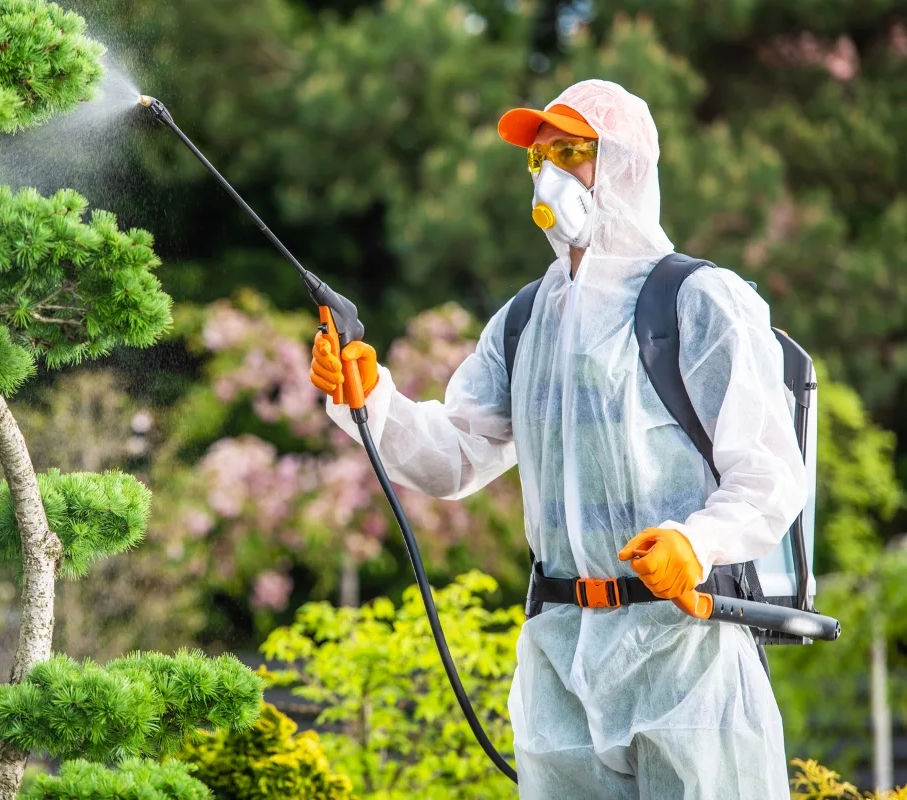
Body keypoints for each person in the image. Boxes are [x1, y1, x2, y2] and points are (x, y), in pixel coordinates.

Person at [308, 79, 808, 799]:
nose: (549, 173)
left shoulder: (700, 301)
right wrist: (369, 397)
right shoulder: (523, 321)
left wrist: (696, 544)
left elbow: (769, 475)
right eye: (538, 158)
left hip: (683, 651)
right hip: (561, 662)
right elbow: (455, 455)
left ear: (626, 167)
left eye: (571, 152)